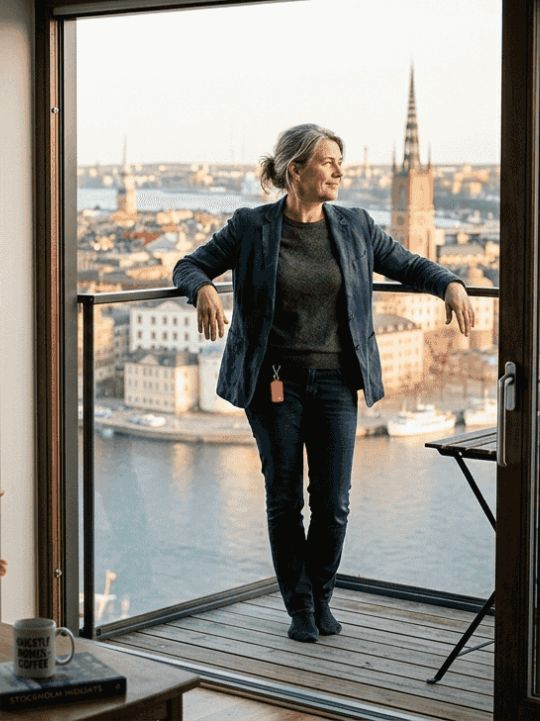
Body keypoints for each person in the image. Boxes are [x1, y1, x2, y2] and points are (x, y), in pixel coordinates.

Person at [173, 124, 475, 642]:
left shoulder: (355, 225)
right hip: (273, 383)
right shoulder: (252, 227)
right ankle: (300, 608)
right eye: (329, 161)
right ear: (296, 171)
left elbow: (405, 263)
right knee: (284, 499)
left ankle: (320, 595)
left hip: (337, 382)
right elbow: (189, 264)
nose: (340, 170)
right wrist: (202, 288)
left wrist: (449, 282)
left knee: (333, 501)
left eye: (341, 161)